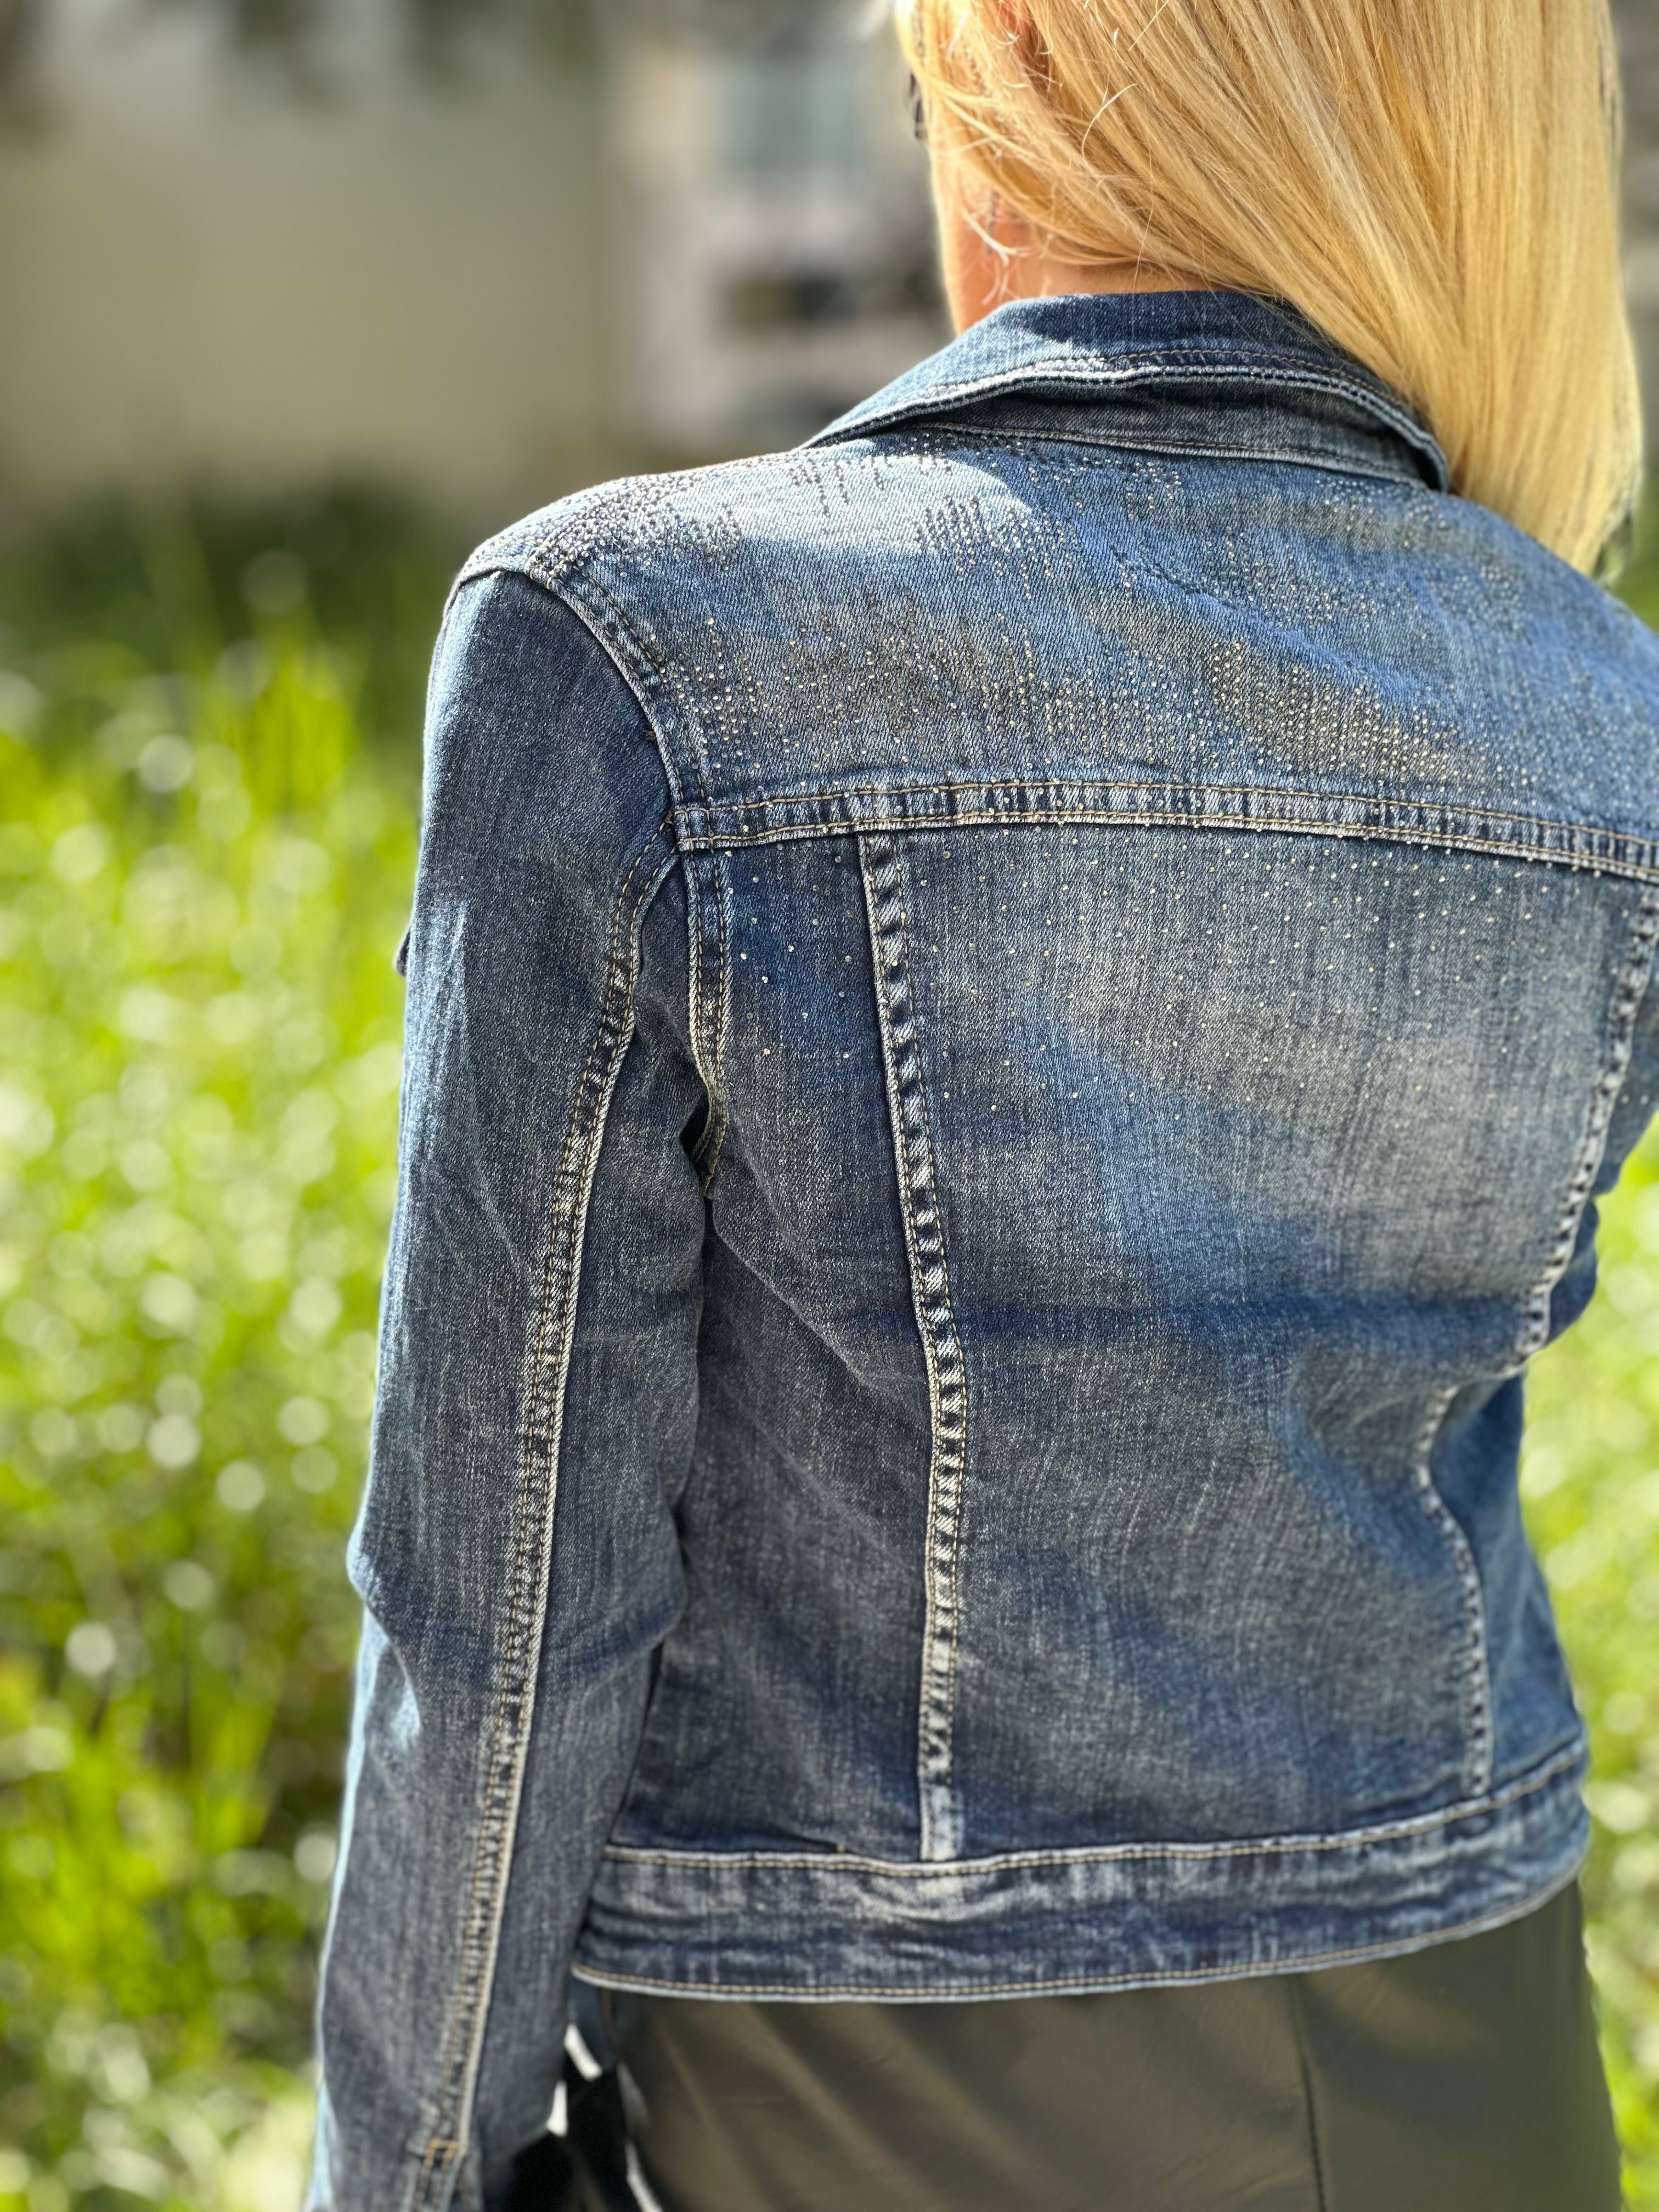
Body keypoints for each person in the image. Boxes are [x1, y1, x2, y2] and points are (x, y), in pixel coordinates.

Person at [307, 4, 1654, 2207]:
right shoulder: (1604, 714)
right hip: (1474, 2041)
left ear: (1015, 60)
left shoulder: (635, 640)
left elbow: (504, 1600)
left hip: (873, 2099)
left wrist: (411, 2170)